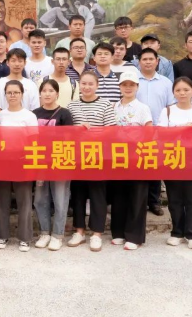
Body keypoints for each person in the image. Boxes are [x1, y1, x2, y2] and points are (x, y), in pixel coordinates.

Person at [158, 77, 192, 250]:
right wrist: (182, 129)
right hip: (172, 161)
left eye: (186, 90)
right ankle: (177, 233)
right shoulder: (167, 112)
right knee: (174, 199)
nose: (182, 93)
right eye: (178, 90)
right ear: (173, 93)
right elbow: (161, 136)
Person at [66, 71, 117, 252]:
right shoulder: (72, 105)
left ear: (97, 85)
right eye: (84, 83)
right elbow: (67, 131)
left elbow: (112, 131)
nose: (87, 87)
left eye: (90, 84)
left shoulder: (105, 104)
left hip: (98, 157)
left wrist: (93, 132)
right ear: (79, 85)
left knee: (98, 195)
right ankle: (79, 231)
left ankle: (97, 233)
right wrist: (77, 130)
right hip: (78, 158)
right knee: (78, 195)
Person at [0, 80, 38, 252]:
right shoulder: (0, 116)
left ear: (22, 94)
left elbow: (34, 141)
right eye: (9, 93)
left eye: (16, 92)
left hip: (22, 162)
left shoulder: (29, 116)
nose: (12, 96)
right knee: (1, 200)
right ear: (5, 95)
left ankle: (25, 238)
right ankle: (2, 236)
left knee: (24, 201)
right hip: (2, 163)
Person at [111, 71, 153, 250]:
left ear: (137, 86)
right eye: (124, 84)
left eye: (132, 85)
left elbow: (149, 133)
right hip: (117, 157)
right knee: (119, 195)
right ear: (119, 87)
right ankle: (118, 232)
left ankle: (134, 236)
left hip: (137, 157)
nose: (128, 88)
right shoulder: (113, 106)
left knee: (137, 196)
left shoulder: (143, 108)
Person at [32, 79, 73, 251]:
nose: (47, 94)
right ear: (40, 94)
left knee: (60, 199)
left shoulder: (64, 113)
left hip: (59, 161)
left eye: (51, 91)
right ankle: (44, 233)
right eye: (44, 91)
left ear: (57, 94)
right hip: (40, 161)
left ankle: (57, 235)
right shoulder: (34, 113)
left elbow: (70, 139)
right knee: (40, 199)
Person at [136, 48, 176, 216]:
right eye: (144, 59)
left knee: (155, 166)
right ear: (139, 62)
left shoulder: (165, 82)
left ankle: (154, 202)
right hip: (136, 131)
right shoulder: (132, 80)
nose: (148, 62)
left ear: (157, 61)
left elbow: (170, 106)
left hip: (158, 130)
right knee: (137, 166)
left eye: (151, 59)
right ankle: (139, 202)